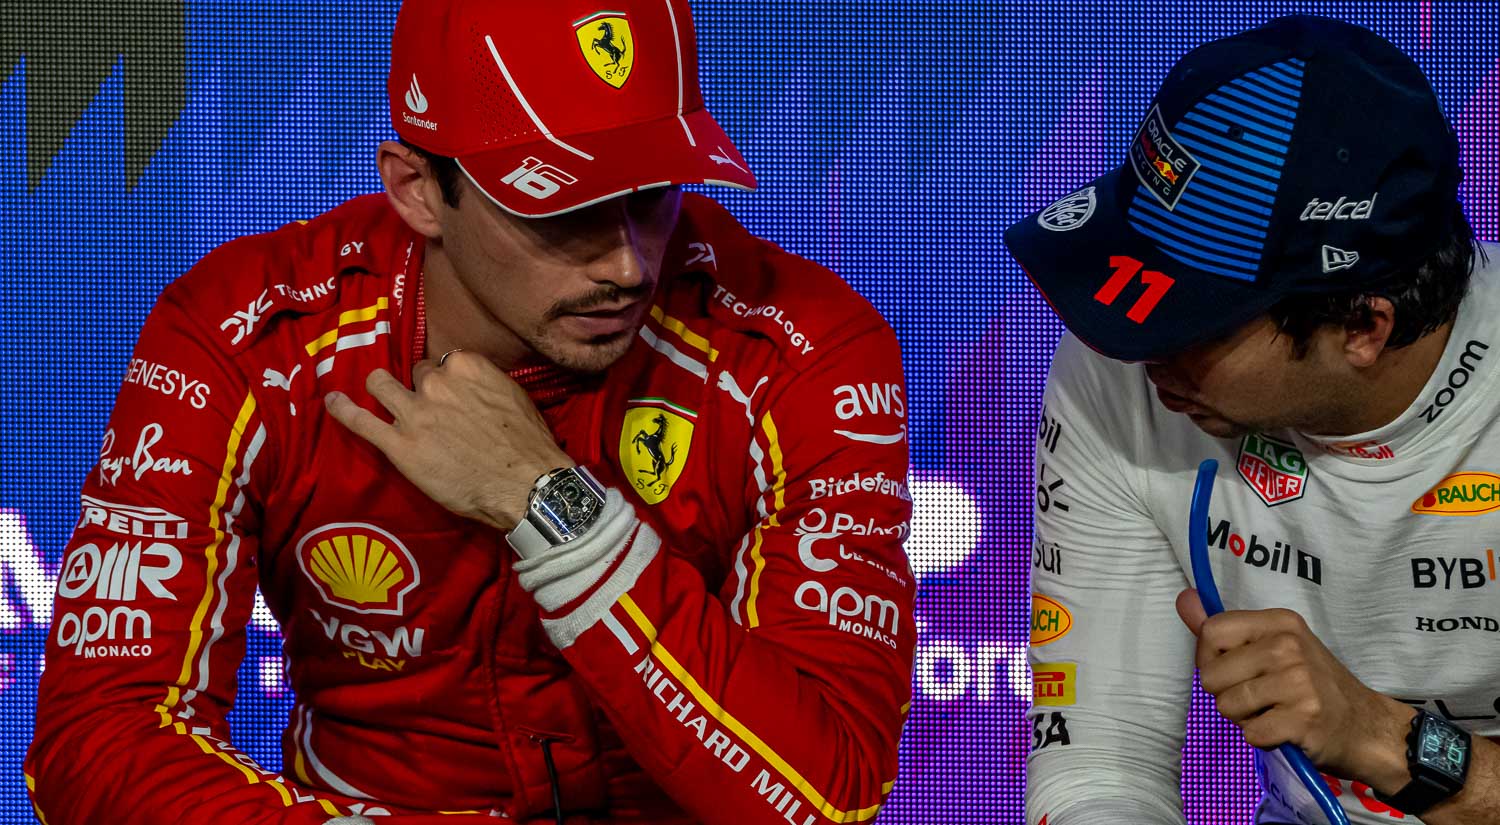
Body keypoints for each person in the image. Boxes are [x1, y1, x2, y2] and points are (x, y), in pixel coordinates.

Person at [24, 2, 915, 823]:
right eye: (564, 207)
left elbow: (824, 794)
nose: (627, 265)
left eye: (651, 196)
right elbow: (98, 741)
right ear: (417, 188)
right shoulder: (247, 337)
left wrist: (554, 505)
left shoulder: (805, 351)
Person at [1005, 15, 1500, 825]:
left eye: (1191, 320)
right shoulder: (1118, 365)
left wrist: (1382, 736)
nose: (1137, 347)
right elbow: (1101, 759)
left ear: (1363, 328)